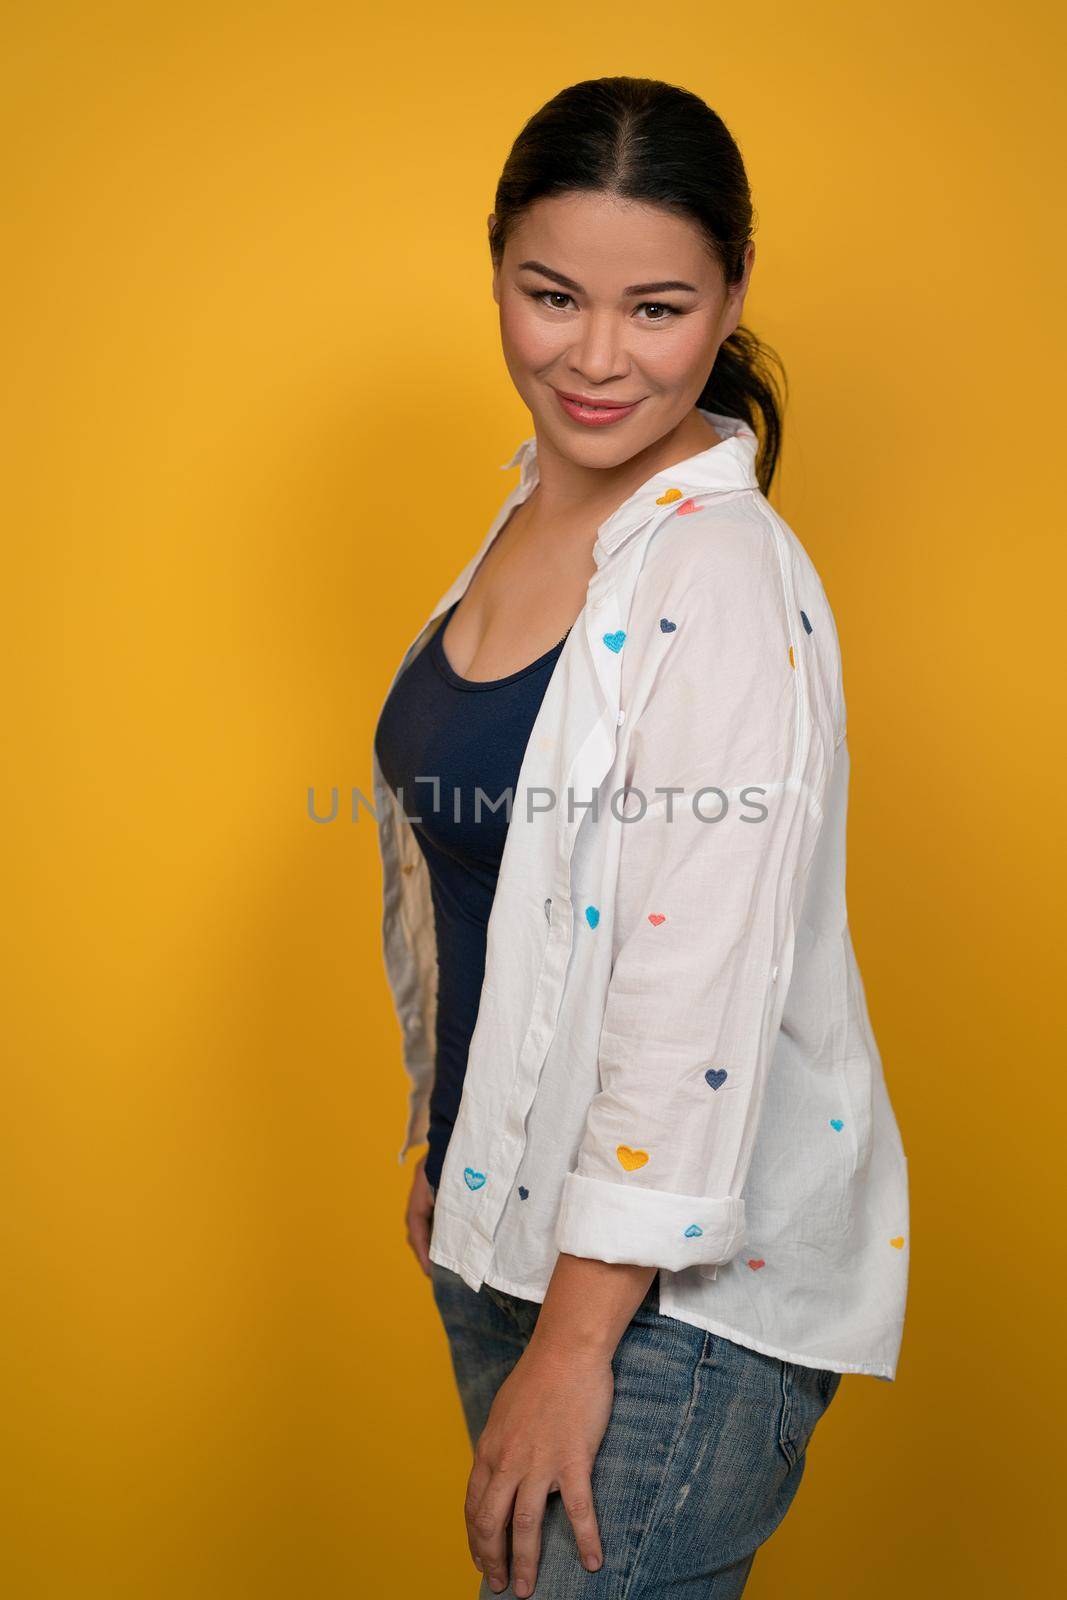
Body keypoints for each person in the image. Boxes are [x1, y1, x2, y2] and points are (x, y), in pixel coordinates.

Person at [371, 75, 909, 1600]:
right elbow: (487, 884)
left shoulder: (721, 571)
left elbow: (689, 1001)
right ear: (496, 273)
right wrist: (454, 1134)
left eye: (658, 307)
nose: (597, 358)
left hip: (660, 1303)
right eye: (551, 295)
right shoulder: (532, 515)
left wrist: (577, 1338)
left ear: (734, 293)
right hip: (513, 1242)